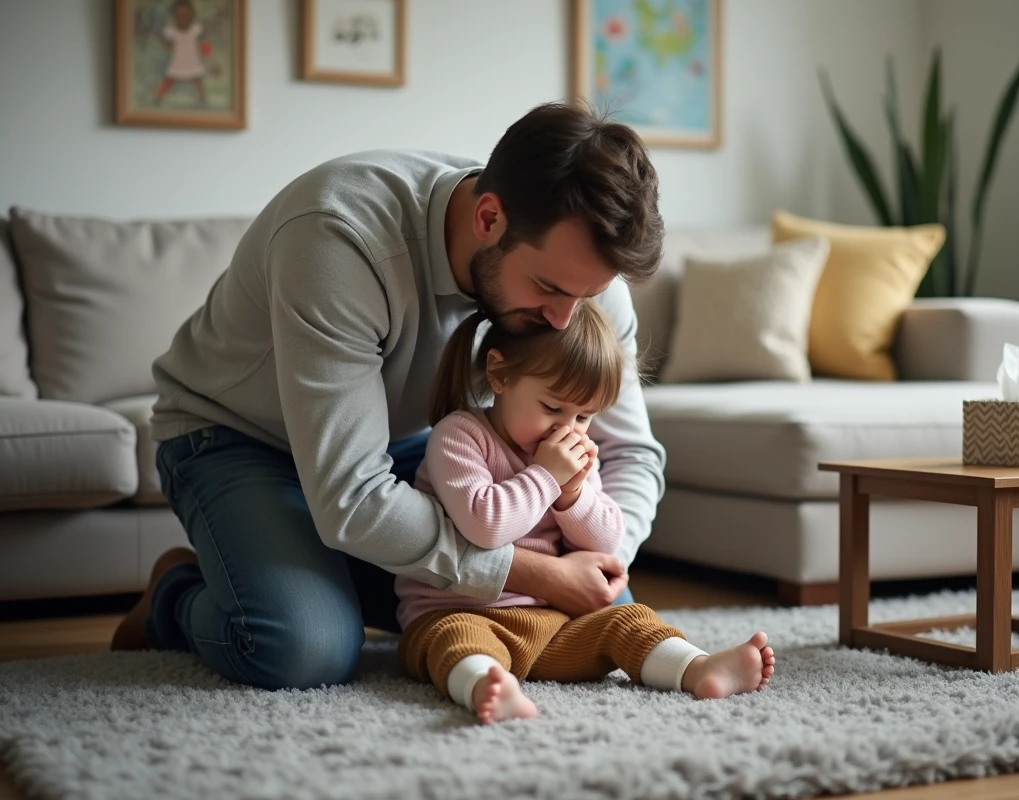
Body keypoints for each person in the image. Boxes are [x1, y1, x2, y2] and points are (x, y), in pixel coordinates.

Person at [110, 103, 668, 694]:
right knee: (304, 648)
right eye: (548, 289)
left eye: (585, 298)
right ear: (488, 217)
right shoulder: (336, 236)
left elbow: (631, 453)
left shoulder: (580, 279)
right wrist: (539, 573)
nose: (563, 321)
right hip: (233, 440)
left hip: (406, 453)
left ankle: (318, 572)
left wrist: (604, 562)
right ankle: (176, 595)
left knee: (601, 614)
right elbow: (352, 497)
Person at [399, 301, 774, 723]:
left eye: (584, 416)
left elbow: (606, 544)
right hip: (460, 611)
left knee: (628, 619)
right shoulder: (460, 436)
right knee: (456, 640)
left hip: (553, 622)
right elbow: (486, 525)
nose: (568, 429)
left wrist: (573, 495)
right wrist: (546, 477)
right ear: (499, 375)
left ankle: (697, 668)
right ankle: (486, 685)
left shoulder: (571, 460)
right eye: (553, 408)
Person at [155, 0, 207, 106]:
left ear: (192, 16)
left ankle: (202, 99)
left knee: (197, 80)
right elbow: (168, 47)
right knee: (169, 80)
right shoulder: (171, 31)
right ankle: (158, 97)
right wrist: (161, 40)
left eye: (186, 15)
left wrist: (205, 50)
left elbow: (203, 42)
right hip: (177, 62)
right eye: (178, 15)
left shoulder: (195, 29)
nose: (182, 19)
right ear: (173, 17)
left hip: (193, 61)